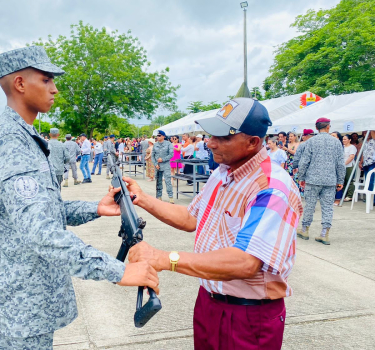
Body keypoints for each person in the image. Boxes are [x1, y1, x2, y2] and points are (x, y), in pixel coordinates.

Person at [0, 45, 159, 348]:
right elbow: (40, 231)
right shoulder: (11, 140)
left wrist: (95, 208)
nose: (55, 89)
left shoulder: (24, 135)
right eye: (47, 79)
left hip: (33, 292)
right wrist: (119, 270)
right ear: (20, 84)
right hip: (22, 298)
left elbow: (45, 209)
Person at [127, 97, 300, 349]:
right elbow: (190, 218)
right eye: (210, 135)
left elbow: (246, 262)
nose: (210, 143)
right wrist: (141, 199)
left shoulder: (271, 188)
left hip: (249, 316)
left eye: (223, 137)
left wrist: (165, 258)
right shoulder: (223, 173)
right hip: (209, 302)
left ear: (252, 142)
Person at [297, 118, 345, 245]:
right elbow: (341, 163)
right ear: (328, 127)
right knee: (328, 207)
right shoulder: (336, 142)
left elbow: (304, 161)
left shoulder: (311, 142)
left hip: (312, 179)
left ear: (316, 127)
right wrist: (340, 180)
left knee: (310, 205)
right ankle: (324, 233)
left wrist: (301, 177)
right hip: (330, 180)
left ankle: (304, 230)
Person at [152, 130, 174, 204]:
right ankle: (159, 196)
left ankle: (170, 197)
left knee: (168, 181)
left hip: (166, 165)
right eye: (157, 136)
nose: (158, 137)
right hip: (158, 166)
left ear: (163, 136)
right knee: (158, 181)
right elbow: (153, 155)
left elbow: (171, 154)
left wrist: (163, 159)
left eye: (159, 136)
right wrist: (155, 164)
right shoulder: (155, 145)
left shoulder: (168, 144)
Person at [333, 134, 357, 205]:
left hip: (349, 166)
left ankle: (350, 195)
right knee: (341, 181)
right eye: (343, 139)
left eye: (345, 139)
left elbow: (351, 157)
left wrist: (344, 164)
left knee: (349, 180)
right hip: (340, 167)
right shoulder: (341, 147)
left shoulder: (352, 147)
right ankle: (341, 195)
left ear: (349, 140)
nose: (343, 140)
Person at [359, 130, 375, 205]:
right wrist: (361, 162)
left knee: (371, 181)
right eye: (365, 133)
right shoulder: (364, 142)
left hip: (372, 163)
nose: (367, 134)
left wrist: (370, 128)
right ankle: (369, 198)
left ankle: (372, 200)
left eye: (369, 133)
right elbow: (363, 153)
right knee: (367, 180)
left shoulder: (374, 140)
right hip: (366, 163)